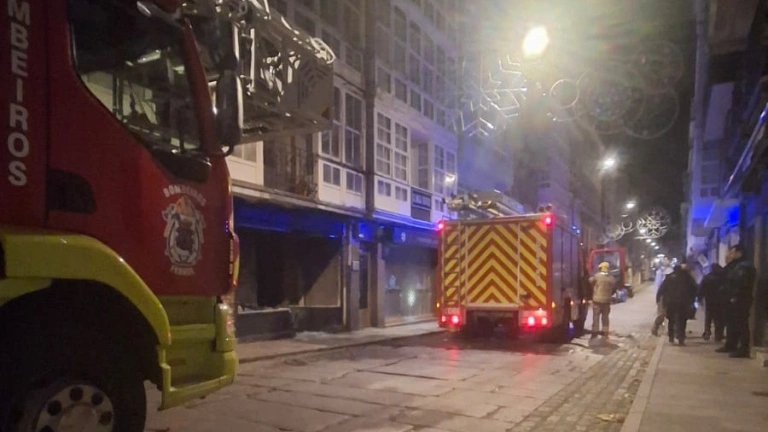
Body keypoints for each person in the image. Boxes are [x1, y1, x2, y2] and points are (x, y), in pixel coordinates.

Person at [716, 244, 756, 358]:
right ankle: (731, 344)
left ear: (739, 253)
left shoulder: (744, 266)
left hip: (740, 299)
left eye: (732, 252)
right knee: (731, 322)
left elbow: (740, 283)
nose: (729, 255)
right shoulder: (734, 266)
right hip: (731, 299)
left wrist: (735, 296)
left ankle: (743, 348)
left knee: (741, 323)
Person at [656, 264, 698, 345]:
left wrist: (658, 299)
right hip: (683, 302)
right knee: (682, 320)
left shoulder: (669, 277)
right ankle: (681, 337)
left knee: (671, 320)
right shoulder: (687, 277)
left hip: (670, 302)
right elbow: (694, 288)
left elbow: (661, 289)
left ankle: (671, 336)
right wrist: (692, 299)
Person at [698, 264, 727, 342]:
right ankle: (718, 335)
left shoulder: (707, 277)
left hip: (709, 300)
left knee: (708, 317)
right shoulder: (723, 278)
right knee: (719, 318)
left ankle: (707, 332)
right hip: (720, 301)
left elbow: (701, 288)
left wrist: (700, 298)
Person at [589, 262, 616, 339]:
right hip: (607, 301)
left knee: (596, 317)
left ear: (600, 268)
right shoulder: (611, 278)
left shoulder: (597, 276)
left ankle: (595, 333)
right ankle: (605, 332)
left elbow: (590, 281)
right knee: (605, 318)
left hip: (597, 300)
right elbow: (614, 288)